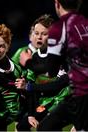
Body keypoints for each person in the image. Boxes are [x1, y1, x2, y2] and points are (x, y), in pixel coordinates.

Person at [12, 14, 71, 131]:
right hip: (45, 102)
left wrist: (29, 86)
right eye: (36, 33)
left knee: (46, 127)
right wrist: (30, 115)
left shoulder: (61, 55)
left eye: (44, 34)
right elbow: (30, 89)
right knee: (21, 126)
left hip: (62, 101)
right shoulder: (34, 57)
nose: (39, 37)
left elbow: (56, 87)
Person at [36, 0, 88, 131]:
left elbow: (51, 71)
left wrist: (28, 63)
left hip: (81, 94)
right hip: (78, 95)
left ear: (57, 3)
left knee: (45, 128)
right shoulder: (85, 23)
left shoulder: (60, 28)